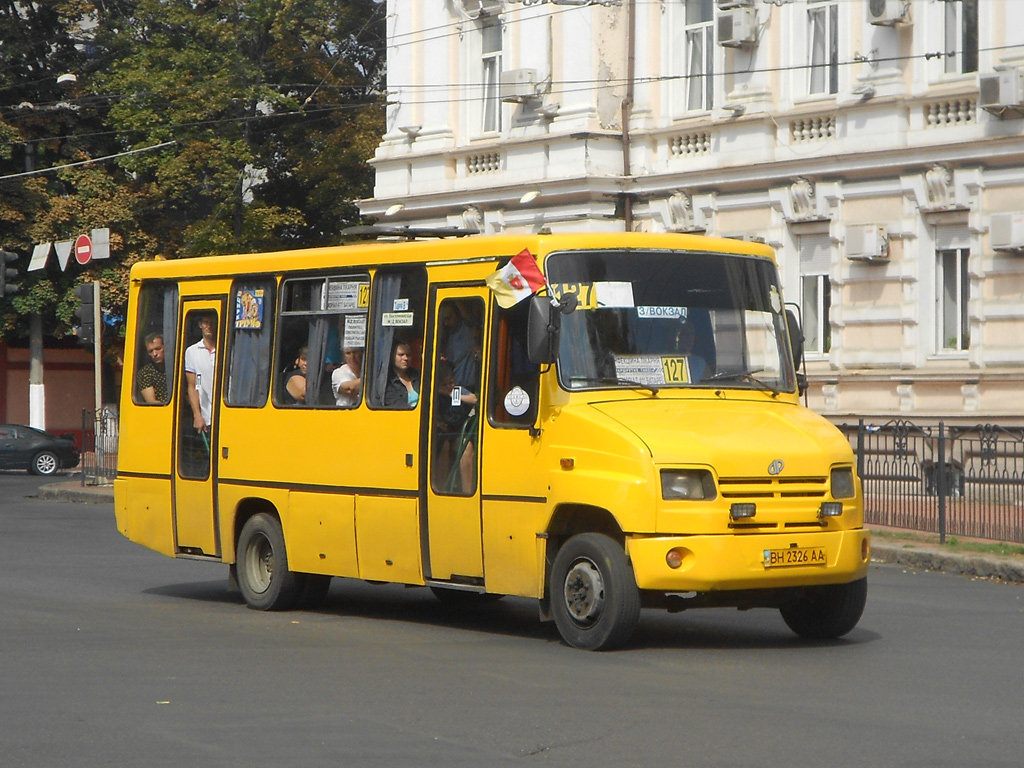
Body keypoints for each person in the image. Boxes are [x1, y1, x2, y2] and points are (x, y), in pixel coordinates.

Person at [433, 360, 478, 494]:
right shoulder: (434, 394)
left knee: (467, 447)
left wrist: (454, 395)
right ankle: (440, 488)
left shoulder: (457, 391)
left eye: (451, 382)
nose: (449, 386)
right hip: (442, 433)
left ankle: (467, 491)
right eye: (444, 384)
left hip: (458, 431)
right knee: (444, 447)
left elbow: (474, 399)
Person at [184, 311, 217, 432]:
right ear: (200, 325)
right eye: (206, 322)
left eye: (213, 323)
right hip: (207, 417)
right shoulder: (192, 352)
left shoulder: (227, 349)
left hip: (227, 414)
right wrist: (197, 415)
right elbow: (193, 386)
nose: (209, 326)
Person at [383, 341, 421, 408]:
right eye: (401, 355)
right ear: (392, 356)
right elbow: (397, 405)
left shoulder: (418, 374)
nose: (405, 358)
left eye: (408, 355)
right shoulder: (387, 380)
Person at [138, 332, 168, 404]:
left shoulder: (175, 369)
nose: (154, 354)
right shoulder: (145, 373)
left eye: (158, 349)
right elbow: (151, 402)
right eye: (151, 351)